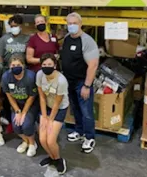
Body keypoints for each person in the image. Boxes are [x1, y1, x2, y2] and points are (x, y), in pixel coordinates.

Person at [61, 12, 99, 154]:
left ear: (80, 24)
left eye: (74, 23)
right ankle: (79, 131)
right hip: (69, 81)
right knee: (75, 108)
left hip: (81, 82)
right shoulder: (66, 38)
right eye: (69, 24)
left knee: (86, 112)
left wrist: (87, 86)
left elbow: (93, 65)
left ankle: (89, 137)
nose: (71, 26)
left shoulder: (87, 41)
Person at [1, 54, 39, 157]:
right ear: (9, 66)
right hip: (16, 104)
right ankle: (25, 141)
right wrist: (17, 111)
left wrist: (24, 112)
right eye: (13, 65)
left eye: (18, 64)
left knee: (26, 124)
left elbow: (32, 96)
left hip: (30, 104)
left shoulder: (30, 76)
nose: (15, 67)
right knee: (16, 126)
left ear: (23, 65)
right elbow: (9, 95)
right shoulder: (6, 77)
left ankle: (32, 143)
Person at [37, 53, 69, 174]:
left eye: (49, 64)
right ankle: (52, 157)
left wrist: (50, 120)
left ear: (55, 66)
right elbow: (42, 97)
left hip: (59, 108)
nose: (46, 66)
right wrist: (44, 116)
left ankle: (59, 160)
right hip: (46, 106)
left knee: (50, 140)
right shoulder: (40, 75)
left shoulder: (61, 81)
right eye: (44, 64)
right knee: (42, 139)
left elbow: (57, 103)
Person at [0, 15, 30, 132]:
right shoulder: (4, 39)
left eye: (16, 26)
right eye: (11, 26)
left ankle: (24, 118)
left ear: (20, 26)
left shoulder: (27, 39)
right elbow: (0, 56)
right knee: (8, 96)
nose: (13, 28)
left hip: (22, 72)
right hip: (8, 71)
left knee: (22, 95)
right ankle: (10, 120)